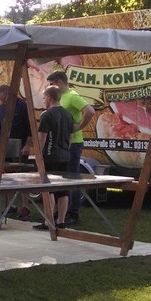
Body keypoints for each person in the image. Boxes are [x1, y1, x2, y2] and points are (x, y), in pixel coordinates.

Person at [45, 70, 94, 226]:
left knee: (72, 178)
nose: (50, 86)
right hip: (61, 144)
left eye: (52, 84)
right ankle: (60, 213)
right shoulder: (61, 97)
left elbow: (89, 110)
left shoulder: (72, 96)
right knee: (59, 179)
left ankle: (73, 212)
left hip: (73, 143)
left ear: (59, 82)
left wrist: (79, 127)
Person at [24, 85, 73, 230]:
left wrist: (38, 154)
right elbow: (70, 136)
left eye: (44, 97)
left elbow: (42, 137)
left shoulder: (47, 115)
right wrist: (65, 149)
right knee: (63, 189)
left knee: (48, 189)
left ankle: (48, 222)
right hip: (65, 156)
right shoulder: (68, 114)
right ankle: (61, 221)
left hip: (50, 156)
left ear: (50, 97)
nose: (44, 100)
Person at [0, 84, 32, 220]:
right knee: (7, 177)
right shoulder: (1, 109)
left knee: (22, 177)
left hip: (21, 146)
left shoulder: (23, 106)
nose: (2, 102)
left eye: (4, 99)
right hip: (6, 147)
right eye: (1, 100)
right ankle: (11, 205)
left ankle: (25, 207)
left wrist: (27, 145)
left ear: (9, 95)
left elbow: (30, 128)